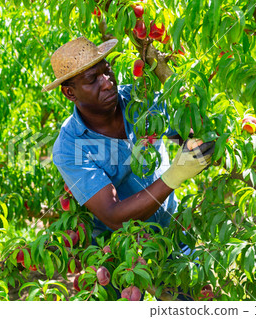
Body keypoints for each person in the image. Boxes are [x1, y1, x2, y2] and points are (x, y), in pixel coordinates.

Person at [43, 37, 214, 299]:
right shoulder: (69, 147)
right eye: (92, 79)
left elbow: (185, 132)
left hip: (175, 232)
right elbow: (113, 215)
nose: (107, 81)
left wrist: (195, 138)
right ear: (70, 93)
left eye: (107, 70)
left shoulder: (139, 100)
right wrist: (176, 175)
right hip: (123, 257)